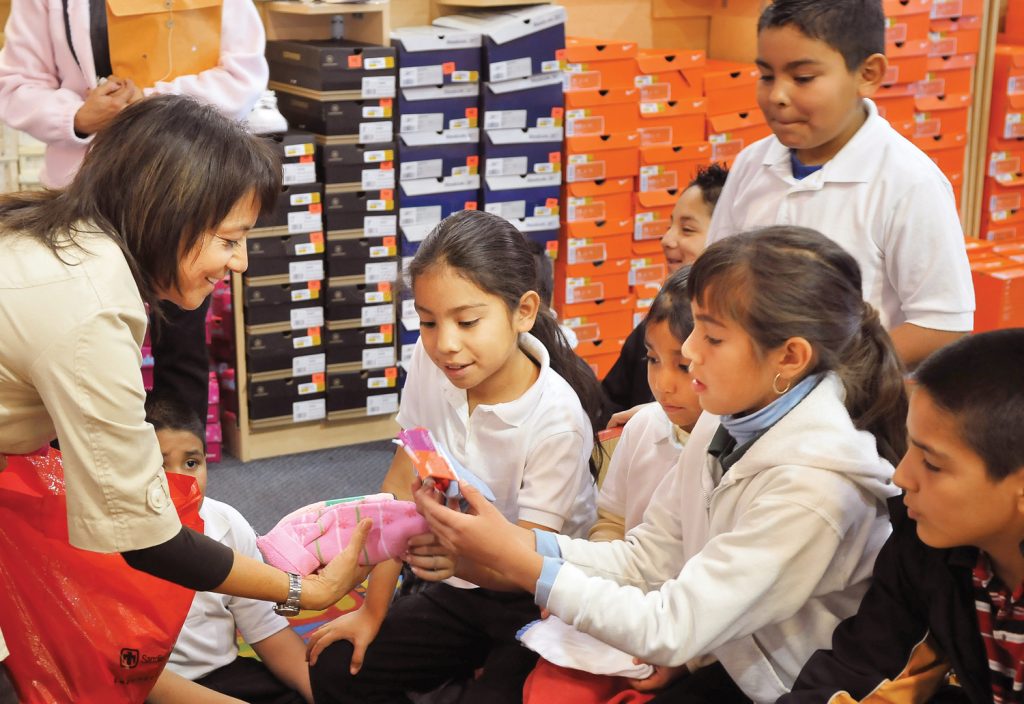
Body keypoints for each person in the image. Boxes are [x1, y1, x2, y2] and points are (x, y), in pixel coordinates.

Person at [416, 225, 909, 703]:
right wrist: (522, 544)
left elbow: (670, 627)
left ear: (790, 357)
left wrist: (519, 560)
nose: (689, 353)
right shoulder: (725, 417)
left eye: (711, 338)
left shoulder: (815, 489)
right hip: (726, 654)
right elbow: (648, 559)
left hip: (788, 685)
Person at [0, 96, 387, 694]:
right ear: (169, 215)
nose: (238, 264)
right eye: (230, 240)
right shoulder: (90, 311)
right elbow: (146, 540)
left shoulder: (60, 238)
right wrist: (304, 591)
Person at [307, 209, 606, 704]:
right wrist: (372, 610)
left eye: (467, 321)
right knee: (336, 667)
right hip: (457, 583)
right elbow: (402, 483)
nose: (446, 344)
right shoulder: (431, 365)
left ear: (524, 311)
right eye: (428, 322)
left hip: (540, 599)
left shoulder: (556, 418)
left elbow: (530, 566)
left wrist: (455, 559)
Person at [0, 0, 271, 425]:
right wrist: (77, 115)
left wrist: (148, 104)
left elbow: (244, 76)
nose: (241, 260)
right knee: (80, 344)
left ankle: (182, 462)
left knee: (181, 339)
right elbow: (15, 84)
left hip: (184, 193)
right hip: (92, 187)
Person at [705, 0, 974, 369]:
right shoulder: (752, 164)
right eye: (767, 76)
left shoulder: (910, 182)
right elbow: (715, 280)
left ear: (868, 74)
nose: (777, 96)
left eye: (802, 79)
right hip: (751, 398)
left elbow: (943, 325)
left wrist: (830, 374)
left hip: (852, 413)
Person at [780, 329, 1024, 704]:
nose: (901, 476)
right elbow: (863, 668)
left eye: (932, 464)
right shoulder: (931, 548)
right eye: (910, 448)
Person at [522, 265, 703, 703]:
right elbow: (611, 523)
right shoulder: (642, 430)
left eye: (683, 365)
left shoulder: (729, 450)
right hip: (622, 600)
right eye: (653, 361)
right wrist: (581, 577)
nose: (662, 382)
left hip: (691, 629)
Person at [144, 392, 312, 704]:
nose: (180, 479)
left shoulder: (227, 523)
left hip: (222, 676)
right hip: (145, 687)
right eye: (160, 464)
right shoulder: (112, 540)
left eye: (192, 462)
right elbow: (126, 672)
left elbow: (267, 630)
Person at [603, 165, 727, 419]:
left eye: (687, 230)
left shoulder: (742, 336)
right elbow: (608, 407)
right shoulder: (656, 323)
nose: (667, 239)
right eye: (653, 359)